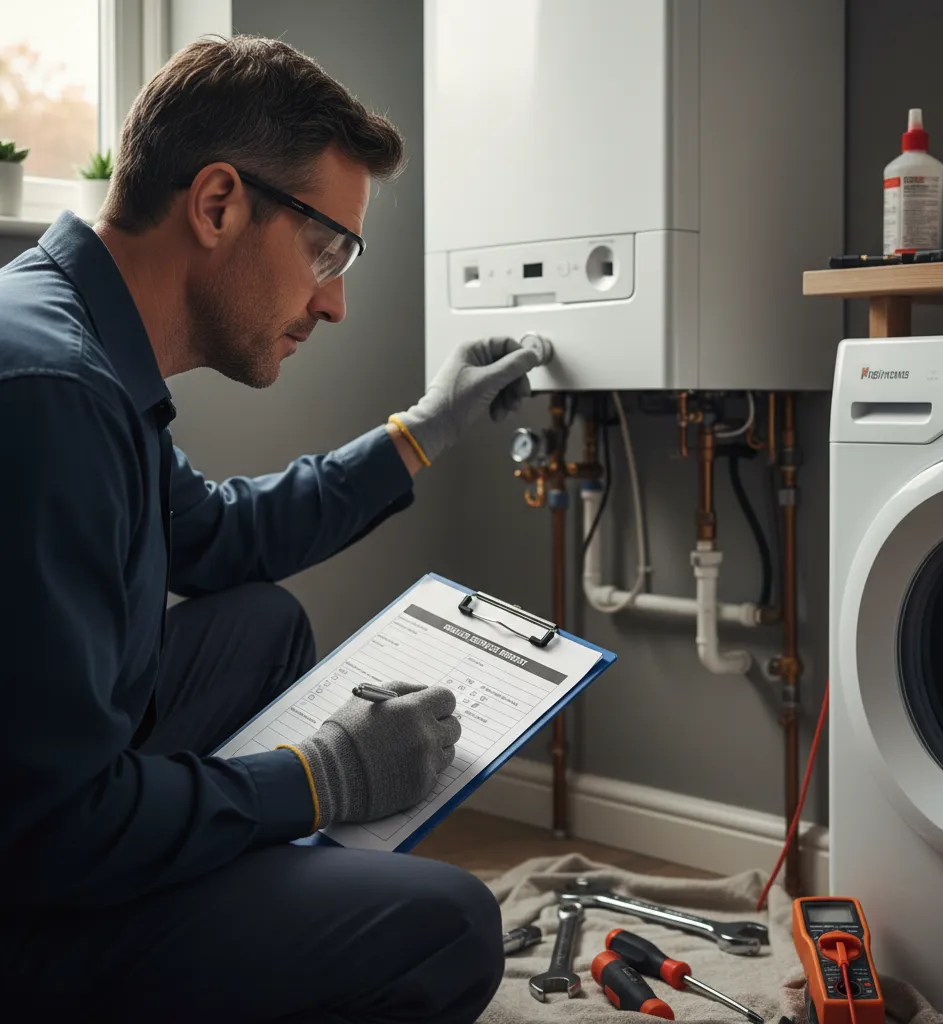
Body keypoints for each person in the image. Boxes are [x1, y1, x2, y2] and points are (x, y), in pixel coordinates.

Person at [0, 35, 540, 1022]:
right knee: (451, 923)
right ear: (217, 204)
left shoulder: (65, 340)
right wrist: (317, 778)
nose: (333, 301)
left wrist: (425, 430)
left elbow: (216, 537)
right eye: (327, 249)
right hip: (23, 908)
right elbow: (54, 826)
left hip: (42, 824)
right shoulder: (52, 396)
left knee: (259, 621)